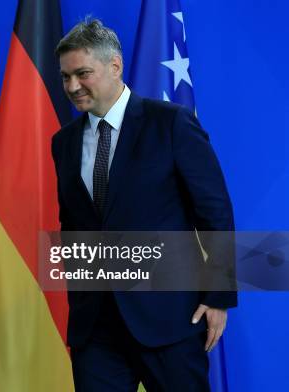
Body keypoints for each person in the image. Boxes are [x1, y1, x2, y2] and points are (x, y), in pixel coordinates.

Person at [51, 20, 236, 391]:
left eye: (82, 74)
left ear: (114, 66)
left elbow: (215, 213)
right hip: (96, 330)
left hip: (171, 320)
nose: (72, 86)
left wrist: (218, 296)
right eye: (66, 76)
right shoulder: (63, 142)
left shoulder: (171, 124)